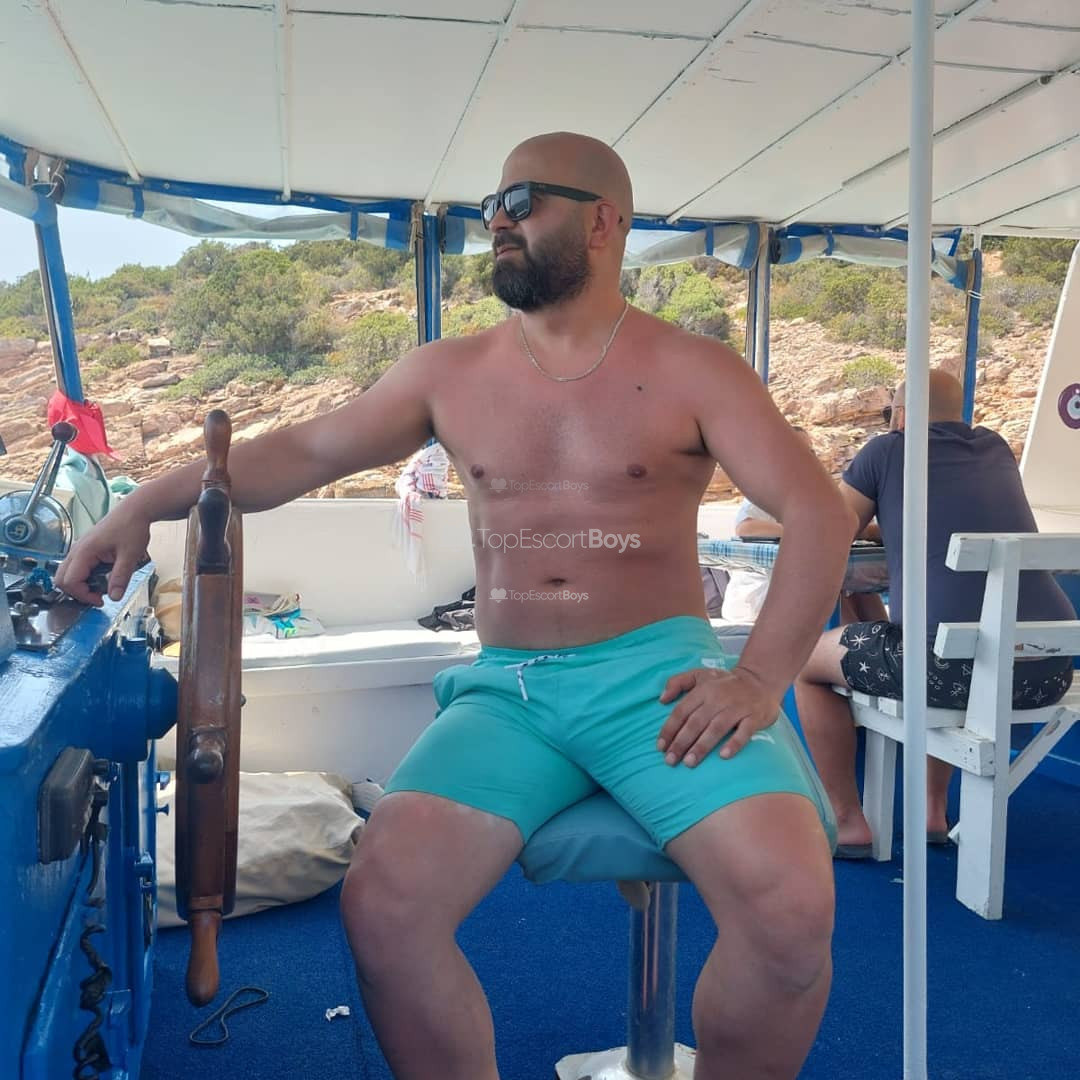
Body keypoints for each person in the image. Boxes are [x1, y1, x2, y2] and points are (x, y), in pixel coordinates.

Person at [57, 132, 855, 1080]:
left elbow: (815, 511)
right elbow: (302, 453)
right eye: (490, 207)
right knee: (386, 906)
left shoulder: (695, 369)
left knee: (791, 912)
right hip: (511, 691)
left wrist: (759, 679)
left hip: (657, 678)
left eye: (522, 201)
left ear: (604, 222)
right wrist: (145, 504)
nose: (498, 223)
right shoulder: (449, 373)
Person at [794, 369, 1075, 858]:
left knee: (806, 665)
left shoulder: (888, 450)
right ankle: (931, 811)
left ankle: (848, 821)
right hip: (1048, 670)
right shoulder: (995, 448)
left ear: (901, 416)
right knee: (939, 635)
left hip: (950, 673)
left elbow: (831, 528)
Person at [721, 426, 887, 626]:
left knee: (860, 589)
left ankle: (889, 640)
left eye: (811, 452)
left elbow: (850, 524)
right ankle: (854, 641)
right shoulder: (765, 491)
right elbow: (746, 528)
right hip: (760, 595)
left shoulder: (818, 495)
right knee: (828, 584)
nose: (808, 459)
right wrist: (809, 530)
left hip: (798, 582)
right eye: (799, 452)